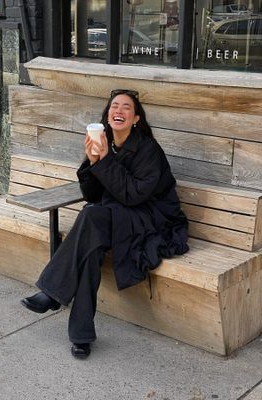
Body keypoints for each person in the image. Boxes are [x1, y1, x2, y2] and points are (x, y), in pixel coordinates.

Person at [21, 89, 189, 358]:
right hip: (117, 215)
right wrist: (92, 161)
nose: (118, 111)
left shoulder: (148, 149)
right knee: (90, 247)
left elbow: (133, 196)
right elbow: (93, 195)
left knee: (90, 217)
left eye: (125, 107)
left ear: (135, 118)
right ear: (107, 115)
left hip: (151, 219)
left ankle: (52, 294)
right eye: (114, 106)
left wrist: (104, 162)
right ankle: (81, 335)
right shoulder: (105, 142)